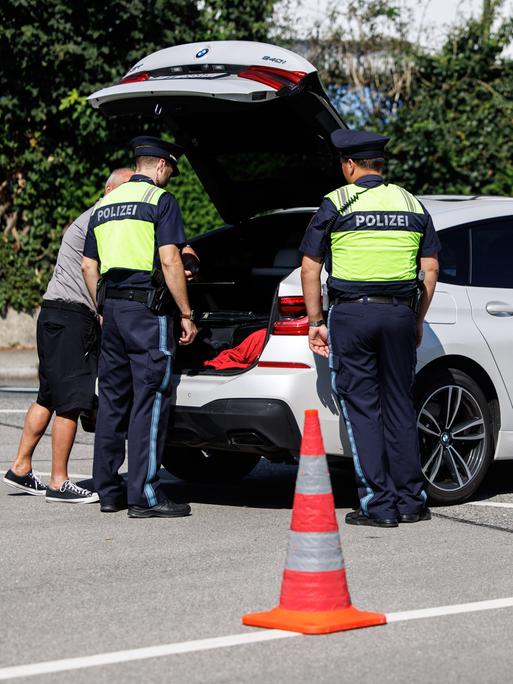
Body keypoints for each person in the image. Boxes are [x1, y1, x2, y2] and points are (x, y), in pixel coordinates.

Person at [300, 129, 440, 528]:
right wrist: (416, 318)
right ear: (381, 165)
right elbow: (429, 268)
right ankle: (411, 501)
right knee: (399, 405)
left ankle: (378, 505)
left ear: (349, 165)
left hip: (352, 316)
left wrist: (316, 322)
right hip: (398, 314)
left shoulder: (337, 202)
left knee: (363, 409)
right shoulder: (411, 202)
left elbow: (311, 267)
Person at [81, 136, 197, 518]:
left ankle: (109, 492)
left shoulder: (104, 205)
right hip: (147, 314)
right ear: (162, 166)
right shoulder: (160, 202)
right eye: (171, 171)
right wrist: (185, 312)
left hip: (111, 311)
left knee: (113, 401)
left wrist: (101, 307)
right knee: (150, 400)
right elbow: (169, 260)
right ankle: (144, 494)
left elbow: (88, 266)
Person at [3, 167, 134, 503]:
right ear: (109, 189)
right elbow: (96, 270)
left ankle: (20, 467)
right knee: (72, 401)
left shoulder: (87, 218)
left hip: (52, 313)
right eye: (126, 190)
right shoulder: (103, 219)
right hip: (74, 317)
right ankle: (59, 482)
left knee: (47, 395)